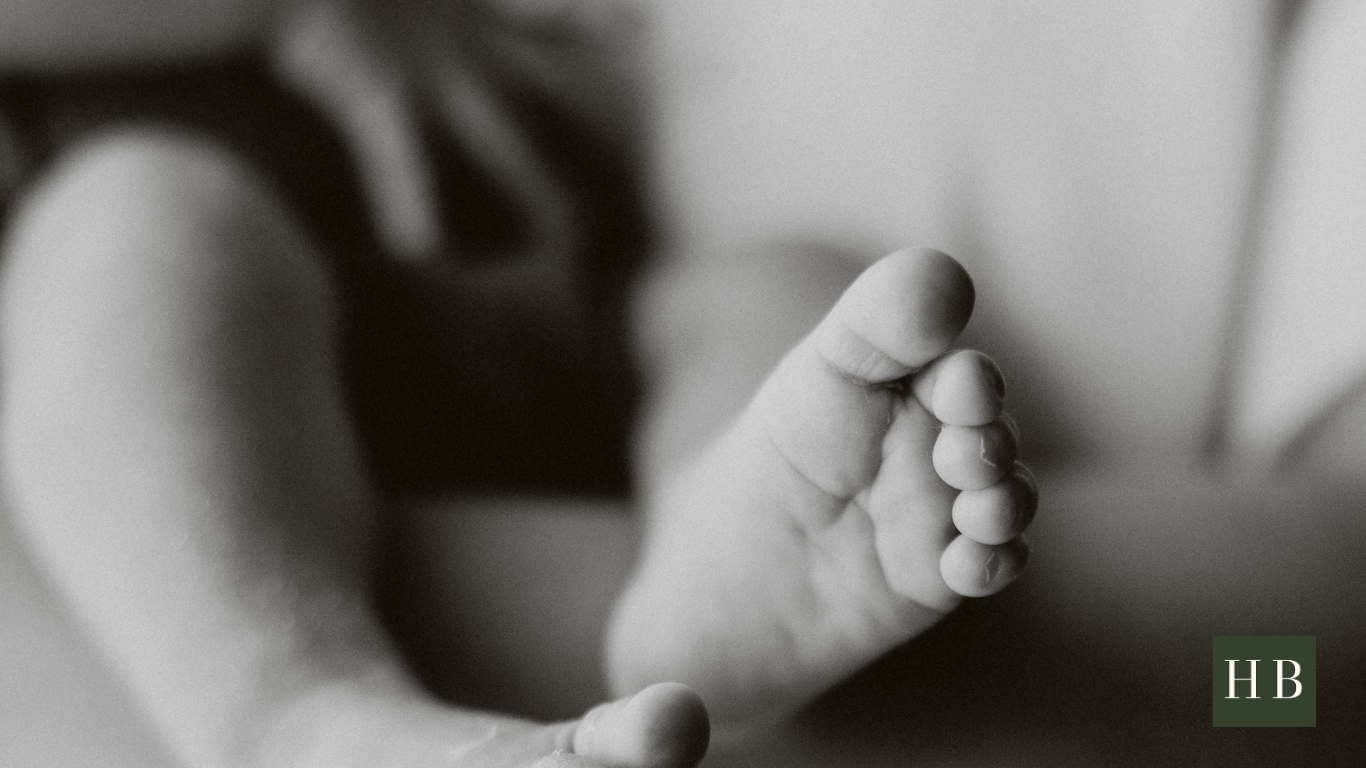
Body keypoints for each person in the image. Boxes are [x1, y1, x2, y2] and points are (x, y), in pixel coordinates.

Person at [0, 1, 1037, 766]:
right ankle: (300, 711)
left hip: (547, 314)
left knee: (791, 287)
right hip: (209, 350)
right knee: (136, 223)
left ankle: (705, 574)